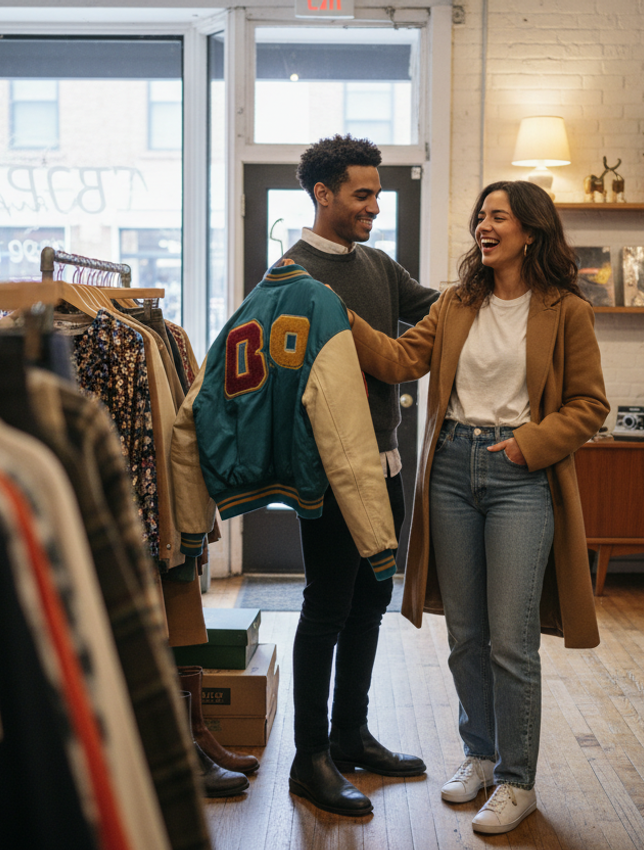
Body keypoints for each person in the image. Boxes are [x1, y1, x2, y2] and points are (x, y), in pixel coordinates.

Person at [344, 180, 609, 834]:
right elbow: (404, 359)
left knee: (511, 639)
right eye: (480, 217)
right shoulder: (459, 302)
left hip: (521, 473)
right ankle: (481, 756)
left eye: (498, 217)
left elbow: (589, 406)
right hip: (453, 469)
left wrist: (528, 445)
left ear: (530, 231)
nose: (483, 227)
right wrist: (342, 318)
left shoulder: (567, 310)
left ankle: (519, 781)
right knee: (465, 633)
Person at [282, 134, 439, 818]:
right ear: (323, 194)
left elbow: (440, 308)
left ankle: (350, 735)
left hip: (388, 464)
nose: (374, 205)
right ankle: (308, 757)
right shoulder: (288, 277)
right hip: (332, 474)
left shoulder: (377, 265)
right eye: (362, 194)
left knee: (371, 603)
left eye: (378, 193)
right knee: (326, 608)